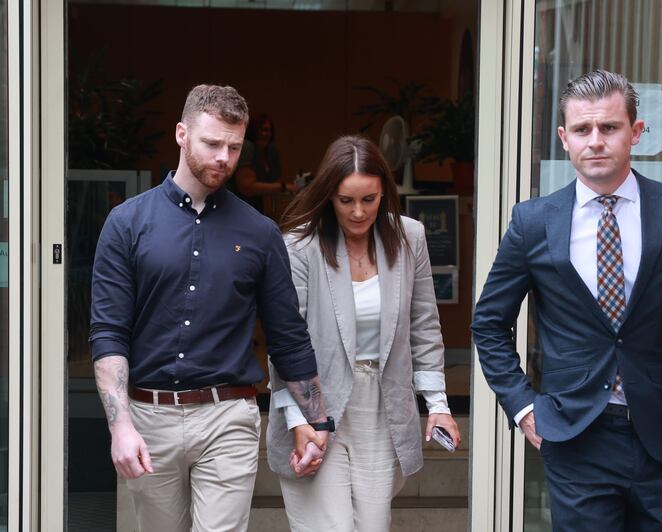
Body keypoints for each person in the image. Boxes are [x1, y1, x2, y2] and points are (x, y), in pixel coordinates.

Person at [471, 70, 662, 531]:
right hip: (576, 438)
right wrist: (523, 407)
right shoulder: (533, 223)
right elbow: (489, 324)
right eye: (582, 129)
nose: (595, 141)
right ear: (564, 138)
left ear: (636, 132)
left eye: (609, 127)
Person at [89, 84, 330, 532]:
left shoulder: (260, 233)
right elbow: (108, 333)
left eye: (234, 148)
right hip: (149, 416)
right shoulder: (127, 224)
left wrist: (316, 421)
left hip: (228, 415)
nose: (224, 157)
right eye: (213, 143)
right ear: (181, 134)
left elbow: (288, 336)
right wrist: (120, 426)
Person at [266, 134, 462, 531]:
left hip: (383, 405)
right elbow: (286, 340)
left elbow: (424, 325)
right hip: (317, 401)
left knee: (373, 524)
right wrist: (299, 419)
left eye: (369, 199)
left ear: (384, 192)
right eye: (346, 200)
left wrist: (438, 404)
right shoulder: (300, 246)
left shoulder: (409, 237)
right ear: (329, 196)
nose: (358, 212)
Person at [229, 113, 297, 213]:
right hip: (236, 207)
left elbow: (273, 180)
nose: (265, 134)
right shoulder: (247, 147)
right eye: (261, 130)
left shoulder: (271, 152)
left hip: (255, 207)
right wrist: (283, 187)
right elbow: (247, 187)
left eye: (268, 130)